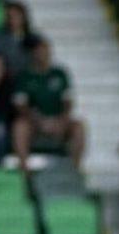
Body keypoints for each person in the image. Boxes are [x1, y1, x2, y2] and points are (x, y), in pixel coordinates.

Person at [11, 36, 86, 172]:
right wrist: (39, 121)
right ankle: (24, 171)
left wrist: (61, 120)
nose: (44, 54)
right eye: (40, 50)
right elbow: (21, 106)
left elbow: (67, 101)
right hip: (35, 122)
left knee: (78, 126)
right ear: (33, 53)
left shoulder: (60, 74)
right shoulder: (24, 77)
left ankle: (75, 169)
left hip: (58, 120)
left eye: (46, 50)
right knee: (20, 127)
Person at [0, 0, 33, 77]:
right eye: (9, 16)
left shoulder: (33, 39)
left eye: (15, 15)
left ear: (23, 17)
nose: (12, 19)